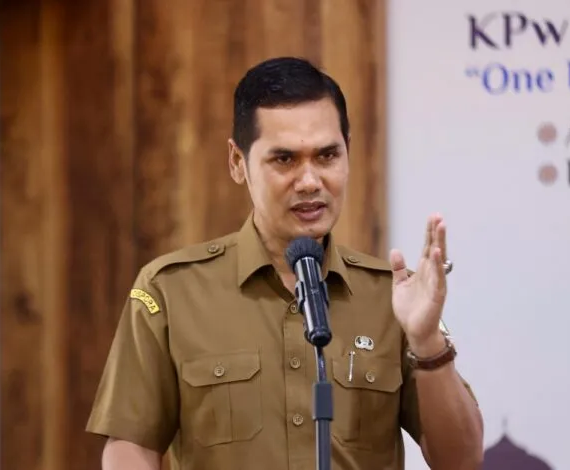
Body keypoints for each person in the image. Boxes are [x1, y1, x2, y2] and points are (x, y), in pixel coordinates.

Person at [86, 56, 484, 470]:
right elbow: (130, 447)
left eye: (327, 156)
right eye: (284, 159)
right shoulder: (171, 290)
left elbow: (461, 461)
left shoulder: (391, 297)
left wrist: (427, 343)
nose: (310, 181)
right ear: (237, 162)